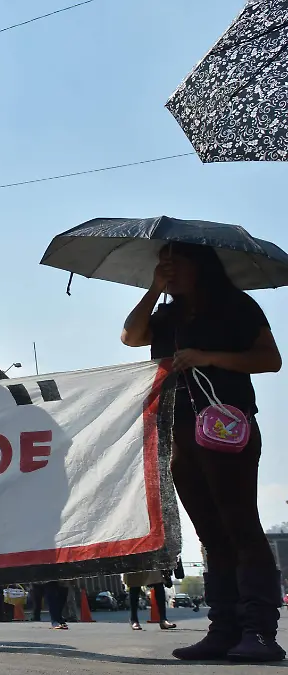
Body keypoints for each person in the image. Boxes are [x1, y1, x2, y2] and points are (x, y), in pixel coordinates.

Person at [121, 243, 283, 662]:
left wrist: (208, 358)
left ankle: (260, 630)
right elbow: (130, 336)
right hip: (180, 432)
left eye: (176, 261)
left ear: (200, 265)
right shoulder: (166, 315)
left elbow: (270, 359)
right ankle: (223, 629)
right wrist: (153, 289)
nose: (168, 268)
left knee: (240, 525)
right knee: (209, 533)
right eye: (163, 262)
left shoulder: (235, 306)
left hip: (227, 429)